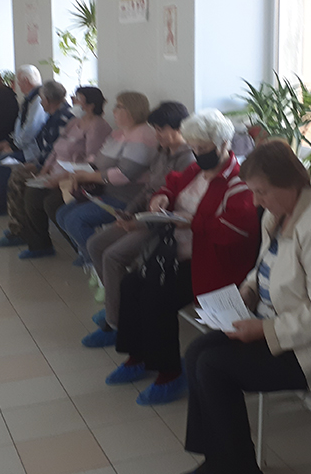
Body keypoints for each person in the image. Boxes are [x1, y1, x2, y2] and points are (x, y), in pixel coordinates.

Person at [182, 140, 311, 474]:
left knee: (213, 366)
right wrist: (247, 291)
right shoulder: (277, 214)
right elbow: (263, 268)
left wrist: (264, 330)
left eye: (262, 192)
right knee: (196, 352)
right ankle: (219, 459)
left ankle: (236, 467)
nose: (256, 201)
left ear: (291, 183)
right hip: (274, 324)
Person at [105, 109, 261, 406]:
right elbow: (173, 183)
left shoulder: (238, 181)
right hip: (178, 254)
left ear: (223, 144)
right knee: (131, 284)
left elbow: (238, 231)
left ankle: (169, 374)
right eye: (194, 147)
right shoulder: (197, 170)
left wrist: (193, 223)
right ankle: (138, 356)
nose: (197, 153)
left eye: (203, 148)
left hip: (213, 265)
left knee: (156, 297)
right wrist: (162, 197)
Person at [81, 101, 196, 346]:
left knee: (113, 256)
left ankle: (116, 324)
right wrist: (128, 212)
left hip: (163, 226)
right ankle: (118, 305)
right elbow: (148, 189)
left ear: (179, 128)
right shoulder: (163, 152)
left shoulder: (188, 159)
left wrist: (140, 223)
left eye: (161, 130)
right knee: (95, 245)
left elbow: (176, 207)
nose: (156, 135)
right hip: (141, 217)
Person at [0, 87, 113, 258]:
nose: (73, 101)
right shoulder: (74, 122)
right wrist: (44, 171)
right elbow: (55, 150)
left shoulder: (98, 127)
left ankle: (81, 248)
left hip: (77, 178)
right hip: (56, 173)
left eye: (78, 99)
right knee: (32, 193)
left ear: (90, 105)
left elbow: (91, 161)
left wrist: (61, 178)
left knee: (52, 203)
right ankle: (39, 245)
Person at [53, 92, 158, 266]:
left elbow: (123, 174)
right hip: (106, 192)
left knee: (75, 219)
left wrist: (87, 175)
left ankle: (97, 260)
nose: (113, 111)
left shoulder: (143, 136)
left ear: (132, 110)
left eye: (119, 107)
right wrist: (78, 169)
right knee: (62, 214)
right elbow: (98, 160)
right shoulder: (118, 134)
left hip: (127, 198)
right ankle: (90, 255)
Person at [0, 73, 73, 217]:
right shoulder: (52, 114)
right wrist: (11, 143)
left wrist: (37, 165)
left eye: (43, 100)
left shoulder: (60, 119)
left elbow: (52, 149)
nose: (41, 103)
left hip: (48, 162)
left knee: (11, 172)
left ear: (48, 100)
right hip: (40, 158)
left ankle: (3, 210)